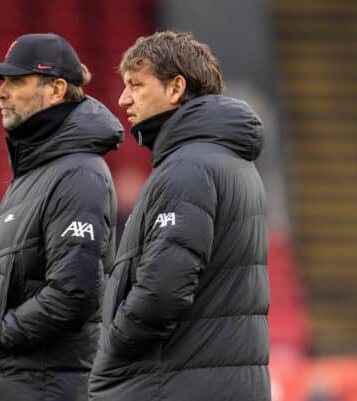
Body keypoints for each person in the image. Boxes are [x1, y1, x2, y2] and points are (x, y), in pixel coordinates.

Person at [0, 33, 124, 401]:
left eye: (16, 81)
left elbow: (73, 292)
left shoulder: (78, 174)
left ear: (56, 90)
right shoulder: (38, 171)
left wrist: (0, 335)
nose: (0, 92)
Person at [89, 31, 271, 401]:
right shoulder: (229, 160)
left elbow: (163, 289)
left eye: (136, 85)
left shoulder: (189, 167)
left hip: (175, 385)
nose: (124, 99)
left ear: (175, 88)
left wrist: (109, 349)